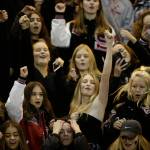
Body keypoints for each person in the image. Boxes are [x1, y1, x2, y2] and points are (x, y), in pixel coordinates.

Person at [69, 30, 113, 149]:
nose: (88, 84)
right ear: (79, 86)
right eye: (85, 81)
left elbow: (105, 76)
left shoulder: (98, 104)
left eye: (92, 83)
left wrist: (109, 46)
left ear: (96, 88)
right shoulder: (74, 107)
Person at [51, 0, 115, 72]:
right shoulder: (71, 26)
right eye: (88, 0)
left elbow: (111, 55)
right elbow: (57, 42)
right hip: (74, 75)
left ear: (99, 6)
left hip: (99, 76)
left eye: (95, 1)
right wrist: (59, 14)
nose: (91, 3)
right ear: (81, 4)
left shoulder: (108, 30)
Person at [5, 66, 54, 150]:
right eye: (33, 94)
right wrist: (21, 80)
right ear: (27, 96)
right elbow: (12, 104)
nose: (38, 97)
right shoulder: (21, 115)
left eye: (41, 94)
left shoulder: (45, 114)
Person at [103, 68, 150, 148]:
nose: (137, 90)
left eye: (142, 87)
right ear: (130, 87)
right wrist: (114, 124)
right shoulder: (120, 104)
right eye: (134, 86)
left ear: (148, 89)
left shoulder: (148, 109)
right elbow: (106, 126)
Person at [9, 5, 51, 81]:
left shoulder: (47, 43)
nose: (36, 22)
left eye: (38, 20)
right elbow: (12, 36)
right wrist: (21, 14)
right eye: (32, 20)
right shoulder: (21, 43)